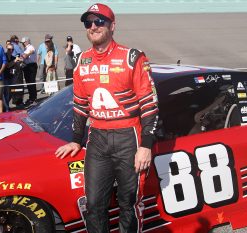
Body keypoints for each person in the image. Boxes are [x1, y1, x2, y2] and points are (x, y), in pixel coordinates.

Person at [55, 3, 159, 233]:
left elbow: (149, 104)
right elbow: (80, 105)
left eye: (99, 21)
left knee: (128, 203)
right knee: (93, 205)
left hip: (129, 138)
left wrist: (146, 145)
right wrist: (75, 139)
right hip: (98, 139)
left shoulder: (132, 57)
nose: (93, 26)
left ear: (112, 25)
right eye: (88, 23)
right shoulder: (82, 61)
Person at [20, 37, 37, 106]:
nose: (23, 44)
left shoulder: (30, 47)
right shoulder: (25, 48)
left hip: (31, 66)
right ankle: (31, 98)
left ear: (27, 42)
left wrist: (26, 55)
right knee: (28, 82)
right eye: (22, 43)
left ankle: (33, 99)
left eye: (23, 42)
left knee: (31, 82)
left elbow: (32, 51)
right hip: (26, 66)